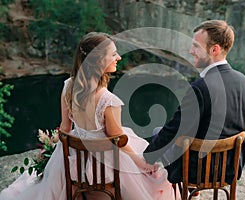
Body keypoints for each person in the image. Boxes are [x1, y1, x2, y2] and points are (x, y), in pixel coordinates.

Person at [0, 32, 177, 200]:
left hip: (76, 161)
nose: (119, 58)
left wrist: (64, 155)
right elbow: (118, 139)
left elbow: (65, 129)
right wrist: (139, 162)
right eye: (113, 54)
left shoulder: (68, 85)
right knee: (149, 172)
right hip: (103, 163)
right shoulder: (109, 101)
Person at [143, 20, 245, 186]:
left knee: (159, 132)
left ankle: (186, 193)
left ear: (214, 50)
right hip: (230, 167)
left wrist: (148, 158)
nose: (191, 51)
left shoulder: (200, 87)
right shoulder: (242, 80)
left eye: (196, 47)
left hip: (198, 170)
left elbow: (175, 128)